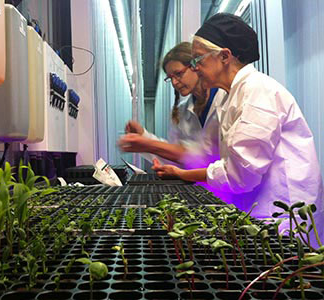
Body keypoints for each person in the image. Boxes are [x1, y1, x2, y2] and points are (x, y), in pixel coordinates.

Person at [153, 13, 323, 225]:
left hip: (284, 215)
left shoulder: (258, 92)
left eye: (198, 59)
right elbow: (207, 153)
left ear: (224, 56)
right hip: (259, 210)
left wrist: (183, 174)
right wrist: (178, 171)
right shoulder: (227, 96)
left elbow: (241, 176)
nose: (195, 67)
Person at [119, 42, 226, 170]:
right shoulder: (181, 111)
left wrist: (148, 144)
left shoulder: (224, 100)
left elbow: (206, 157)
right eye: (170, 78)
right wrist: (143, 135)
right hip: (197, 186)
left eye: (179, 74)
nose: (175, 82)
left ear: (196, 66)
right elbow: (175, 158)